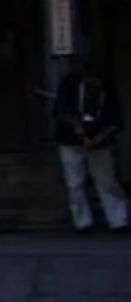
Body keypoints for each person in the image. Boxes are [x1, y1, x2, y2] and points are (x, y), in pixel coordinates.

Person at [51, 59, 128, 232]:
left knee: (106, 180)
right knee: (75, 182)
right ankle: (82, 222)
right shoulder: (70, 83)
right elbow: (59, 110)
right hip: (70, 140)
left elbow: (117, 120)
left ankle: (118, 219)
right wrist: (75, 125)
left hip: (100, 139)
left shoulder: (108, 90)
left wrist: (101, 137)